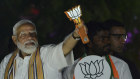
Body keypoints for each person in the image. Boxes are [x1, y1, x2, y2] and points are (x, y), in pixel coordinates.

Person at [0, 19, 84, 79]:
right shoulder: (7, 61)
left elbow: (64, 48)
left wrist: (75, 35)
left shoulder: (46, 53)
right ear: (15, 39)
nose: (29, 37)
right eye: (23, 35)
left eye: (32, 34)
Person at [62, 21, 132, 79]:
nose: (107, 42)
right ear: (89, 43)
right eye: (103, 39)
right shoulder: (71, 70)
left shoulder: (120, 66)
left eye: (108, 38)